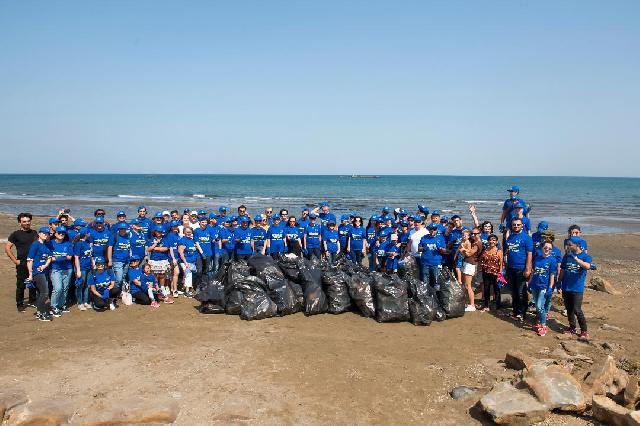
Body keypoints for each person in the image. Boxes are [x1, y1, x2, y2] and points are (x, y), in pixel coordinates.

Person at [559, 236, 592, 339]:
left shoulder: (585, 256)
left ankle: (584, 330)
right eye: (567, 244)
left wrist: (576, 259)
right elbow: (563, 270)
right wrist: (559, 282)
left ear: (577, 245)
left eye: (570, 245)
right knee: (569, 309)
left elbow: (587, 266)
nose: (567, 246)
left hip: (577, 288)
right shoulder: (567, 256)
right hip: (566, 287)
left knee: (577, 310)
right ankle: (572, 327)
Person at [5, 212, 38, 312]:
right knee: (21, 285)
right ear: (20, 223)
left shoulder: (34, 233)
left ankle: (32, 301)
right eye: (24, 221)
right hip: (22, 263)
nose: (27, 223)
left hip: (33, 262)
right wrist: (15, 261)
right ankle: (19, 304)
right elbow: (7, 248)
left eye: (28, 221)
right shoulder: (15, 234)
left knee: (33, 282)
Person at [505, 218, 533, 321]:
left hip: (521, 268)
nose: (516, 226)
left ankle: (522, 313)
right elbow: (508, 252)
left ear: (522, 225)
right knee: (513, 291)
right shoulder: (510, 237)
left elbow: (529, 254)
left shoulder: (526, 238)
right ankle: (515, 311)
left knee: (521, 292)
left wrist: (528, 268)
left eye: (518, 225)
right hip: (510, 268)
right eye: (514, 225)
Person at [528, 241, 558, 336]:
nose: (547, 250)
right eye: (545, 248)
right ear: (542, 248)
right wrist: (529, 283)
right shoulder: (537, 259)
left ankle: (543, 325)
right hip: (535, 285)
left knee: (541, 307)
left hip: (544, 286)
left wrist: (550, 288)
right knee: (537, 306)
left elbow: (552, 276)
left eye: (549, 249)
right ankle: (540, 323)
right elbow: (533, 272)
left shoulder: (552, 260)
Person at [26, 227, 54, 321]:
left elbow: (49, 257)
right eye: (44, 233)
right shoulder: (35, 244)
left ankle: (39, 312)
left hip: (44, 271)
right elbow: (29, 260)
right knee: (45, 293)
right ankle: (42, 313)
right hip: (36, 272)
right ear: (39, 234)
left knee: (40, 293)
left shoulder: (46, 245)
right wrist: (30, 274)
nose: (46, 235)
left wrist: (45, 266)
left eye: (47, 234)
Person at [48, 226, 74, 316]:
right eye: (59, 233)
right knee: (58, 288)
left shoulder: (68, 244)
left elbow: (70, 257)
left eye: (63, 233)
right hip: (55, 269)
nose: (61, 234)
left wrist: (57, 258)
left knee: (65, 288)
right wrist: (63, 257)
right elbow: (49, 258)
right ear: (55, 234)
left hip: (67, 269)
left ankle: (62, 305)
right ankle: (53, 306)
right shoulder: (50, 243)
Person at [418, 224, 446, 290]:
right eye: (431, 229)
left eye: (435, 229)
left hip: (436, 263)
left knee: (436, 282)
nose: (433, 231)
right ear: (428, 230)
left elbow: (445, 250)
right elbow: (419, 249)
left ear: (437, 230)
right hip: (425, 263)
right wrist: (423, 248)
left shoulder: (440, 238)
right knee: (425, 281)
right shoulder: (424, 237)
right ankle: (427, 297)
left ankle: (437, 296)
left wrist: (440, 249)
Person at [479, 234, 503, 312]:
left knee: (496, 289)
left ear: (496, 242)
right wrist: (480, 268)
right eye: (490, 240)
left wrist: (500, 274)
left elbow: (501, 264)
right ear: (488, 241)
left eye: (494, 240)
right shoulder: (485, 250)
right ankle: (486, 305)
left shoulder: (499, 251)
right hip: (485, 272)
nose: (492, 241)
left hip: (495, 273)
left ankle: (497, 305)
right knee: (486, 289)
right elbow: (482, 260)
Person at [458, 229, 480, 311]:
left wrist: (463, 249)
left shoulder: (476, 244)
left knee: (468, 285)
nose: (474, 235)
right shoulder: (471, 241)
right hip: (466, 263)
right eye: (473, 234)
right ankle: (468, 303)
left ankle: (472, 305)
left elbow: (469, 253)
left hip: (470, 264)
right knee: (465, 285)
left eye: (476, 234)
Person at [73, 227, 93, 311]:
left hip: (89, 266)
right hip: (81, 267)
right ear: (86, 234)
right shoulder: (79, 244)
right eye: (89, 232)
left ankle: (86, 301)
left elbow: (90, 254)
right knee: (80, 285)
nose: (90, 234)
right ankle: (80, 302)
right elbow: (76, 257)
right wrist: (78, 270)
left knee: (87, 285)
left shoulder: (88, 242)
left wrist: (93, 263)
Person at [146, 227, 170, 295]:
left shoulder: (165, 239)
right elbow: (149, 249)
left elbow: (166, 248)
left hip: (163, 259)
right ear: (155, 232)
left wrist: (155, 248)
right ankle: (156, 287)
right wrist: (155, 244)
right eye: (157, 231)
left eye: (160, 231)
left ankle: (162, 287)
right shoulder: (151, 239)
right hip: (154, 259)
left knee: (162, 274)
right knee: (155, 275)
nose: (159, 233)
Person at [108, 222, 132, 290]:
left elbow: (129, 248)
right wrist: (110, 260)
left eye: (124, 229)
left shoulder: (127, 236)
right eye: (121, 229)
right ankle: (113, 293)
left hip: (126, 260)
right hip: (117, 260)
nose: (123, 230)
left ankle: (121, 292)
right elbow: (109, 248)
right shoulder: (114, 236)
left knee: (123, 277)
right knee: (119, 279)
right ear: (119, 229)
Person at [178, 227, 198, 298]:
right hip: (185, 262)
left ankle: (184, 287)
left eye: (190, 232)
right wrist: (185, 262)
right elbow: (181, 253)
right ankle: (187, 291)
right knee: (188, 273)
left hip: (192, 261)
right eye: (187, 232)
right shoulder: (182, 240)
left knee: (192, 273)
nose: (189, 233)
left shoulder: (192, 240)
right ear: (184, 232)